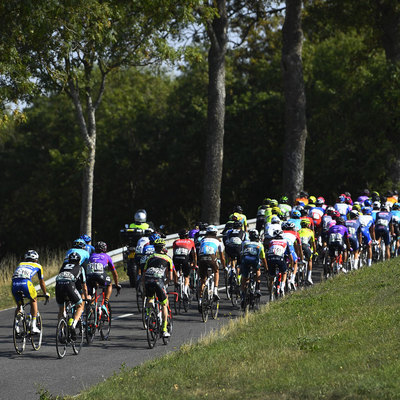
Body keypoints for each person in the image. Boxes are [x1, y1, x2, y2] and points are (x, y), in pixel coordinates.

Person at [11, 250, 50, 334]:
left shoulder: (21, 264)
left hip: (14, 284)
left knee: (19, 306)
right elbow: (41, 282)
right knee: (34, 299)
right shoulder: (38, 266)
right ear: (36, 259)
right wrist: (45, 293)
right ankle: (33, 326)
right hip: (25, 283)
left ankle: (16, 327)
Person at [143, 238, 174, 338]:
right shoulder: (168, 258)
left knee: (150, 298)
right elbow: (170, 277)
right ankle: (164, 330)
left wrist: (144, 285)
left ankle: (149, 314)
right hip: (158, 281)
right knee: (164, 304)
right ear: (163, 248)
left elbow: (144, 274)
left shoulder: (150, 257)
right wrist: (165, 283)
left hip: (148, 279)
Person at [55, 252, 89, 340]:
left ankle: (60, 331)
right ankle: (73, 325)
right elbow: (84, 286)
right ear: (79, 261)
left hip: (58, 286)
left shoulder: (63, 267)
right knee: (80, 305)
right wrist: (85, 297)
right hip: (69, 285)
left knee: (61, 310)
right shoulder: (80, 268)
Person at [198, 225, 226, 306]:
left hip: (202, 257)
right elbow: (222, 257)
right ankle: (215, 290)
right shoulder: (219, 241)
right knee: (216, 271)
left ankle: (200, 300)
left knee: (203, 280)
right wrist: (224, 267)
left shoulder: (202, 240)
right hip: (211, 257)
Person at [239, 229, 267, 308]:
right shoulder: (260, 245)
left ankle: (243, 294)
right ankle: (257, 288)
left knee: (245, 277)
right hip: (254, 260)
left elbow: (241, 253)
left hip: (245, 260)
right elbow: (263, 258)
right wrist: (266, 268)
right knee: (258, 270)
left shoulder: (245, 243)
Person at [266, 229, 293, 298]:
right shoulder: (285, 241)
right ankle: (282, 286)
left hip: (270, 258)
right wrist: (292, 265)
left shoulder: (271, 241)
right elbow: (290, 255)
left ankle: (271, 293)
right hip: (279, 258)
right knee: (284, 272)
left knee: (271, 276)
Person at [172, 229, 197, 299]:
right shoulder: (191, 242)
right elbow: (194, 254)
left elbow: (174, 252)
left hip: (176, 258)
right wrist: (194, 263)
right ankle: (185, 290)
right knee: (186, 276)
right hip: (185, 258)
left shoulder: (175, 242)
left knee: (176, 271)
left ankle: (176, 282)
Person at [298, 219, 317, 284]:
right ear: (308, 225)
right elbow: (313, 243)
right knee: (310, 260)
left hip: (298, 247)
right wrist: (315, 252)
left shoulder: (298, 231)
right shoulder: (311, 231)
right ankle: (309, 277)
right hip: (306, 246)